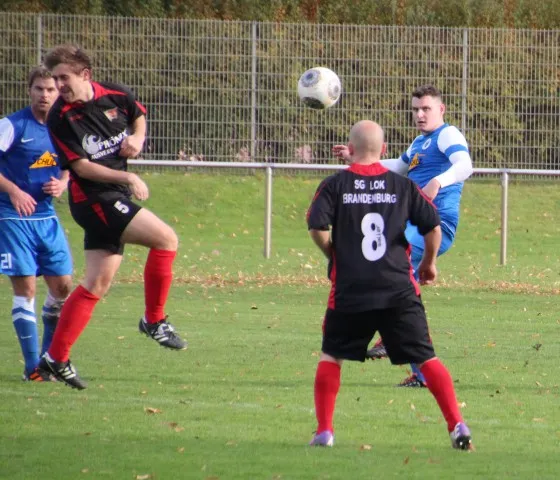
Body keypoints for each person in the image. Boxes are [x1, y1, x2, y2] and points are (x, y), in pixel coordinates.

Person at [307, 120, 473, 450]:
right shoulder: (403, 186)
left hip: (350, 289)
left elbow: (316, 225)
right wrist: (429, 264)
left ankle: (324, 431)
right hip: (398, 289)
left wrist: (333, 254)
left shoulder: (334, 184)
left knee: (332, 356)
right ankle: (457, 425)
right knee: (427, 358)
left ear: (350, 149)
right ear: (384, 150)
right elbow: (433, 226)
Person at [32, 44, 187, 390]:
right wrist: (128, 177)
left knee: (96, 285)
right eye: (55, 79)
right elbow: (82, 167)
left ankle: (55, 358)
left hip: (111, 197)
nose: (58, 86)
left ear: (85, 75)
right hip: (94, 200)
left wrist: (138, 138)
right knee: (166, 240)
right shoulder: (61, 117)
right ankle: (154, 320)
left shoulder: (115, 94)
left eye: (64, 78)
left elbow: (138, 114)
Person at [333, 84, 473, 388]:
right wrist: (357, 159)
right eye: (416, 109)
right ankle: (415, 367)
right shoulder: (420, 142)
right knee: (393, 278)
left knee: (393, 276)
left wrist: (438, 182)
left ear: (441, 109)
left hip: (435, 224)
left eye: (426, 109)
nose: (420, 114)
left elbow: (465, 165)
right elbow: (397, 167)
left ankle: (391, 339)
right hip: (414, 224)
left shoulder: (448, 134)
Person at [0, 66, 73, 382]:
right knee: (26, 288)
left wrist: (63, 182)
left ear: (59, 93)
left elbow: (73, 163)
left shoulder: (65, 128)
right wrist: (14, 191)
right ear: (30, 90)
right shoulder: (12, 125)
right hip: (12, 217)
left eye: (50, 90)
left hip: (46, 217)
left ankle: (48, 361)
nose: (44, 95)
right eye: (39, 89)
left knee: (63, 288)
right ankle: (33, 368)